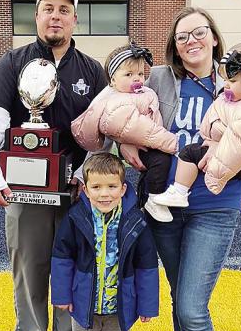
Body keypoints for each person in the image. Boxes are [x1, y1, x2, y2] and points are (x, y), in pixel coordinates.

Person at [119, 7, 241, 331]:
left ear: (214, 37)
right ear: (174, 47)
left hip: (215, 203)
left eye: (198, 33)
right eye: (181, 37)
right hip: (164, 202)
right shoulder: (159, 78)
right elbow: (118, 100)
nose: (190, 41)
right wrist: (124, 138)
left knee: (193, 308)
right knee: (180, 298)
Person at [0, 0, 106, 331]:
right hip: (23, 192)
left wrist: (85, 171)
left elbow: (105, 129)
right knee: (29, 272)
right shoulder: (13, 62)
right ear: (36, 15)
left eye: (64, 10)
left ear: (74, 19)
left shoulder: (92, 70)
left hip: (76, 192)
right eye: (48, 9)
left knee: (70, 269)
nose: (56, 16)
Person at [51, 153, 159, 331]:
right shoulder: (75, 217)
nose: (104, 193)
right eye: (97, 187)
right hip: (83, 304)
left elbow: (147, 265)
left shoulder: (135, 221)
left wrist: (147, 304)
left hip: (120, 307)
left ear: (123, 188)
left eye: (111, 186)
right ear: (86, 190)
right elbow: (62, 258)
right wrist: (61, 295)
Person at [154, 42, 241, 209]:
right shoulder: (239, 99)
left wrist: (216, 172)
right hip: (227, 154)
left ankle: (179, 191)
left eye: (232, 80)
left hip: (232, 162)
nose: (226, 85)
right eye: (225, 80)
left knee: (189, 153)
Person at [71, 43, 178, 222]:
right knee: (161, 161)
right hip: (152, 143)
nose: (136, 79)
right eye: (128, 74)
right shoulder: (115, 99)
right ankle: (154, 198)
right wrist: (173, 144)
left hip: (147, 143)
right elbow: (132, 128)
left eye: (141, 74)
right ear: (113, 80)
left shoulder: (141, 93)